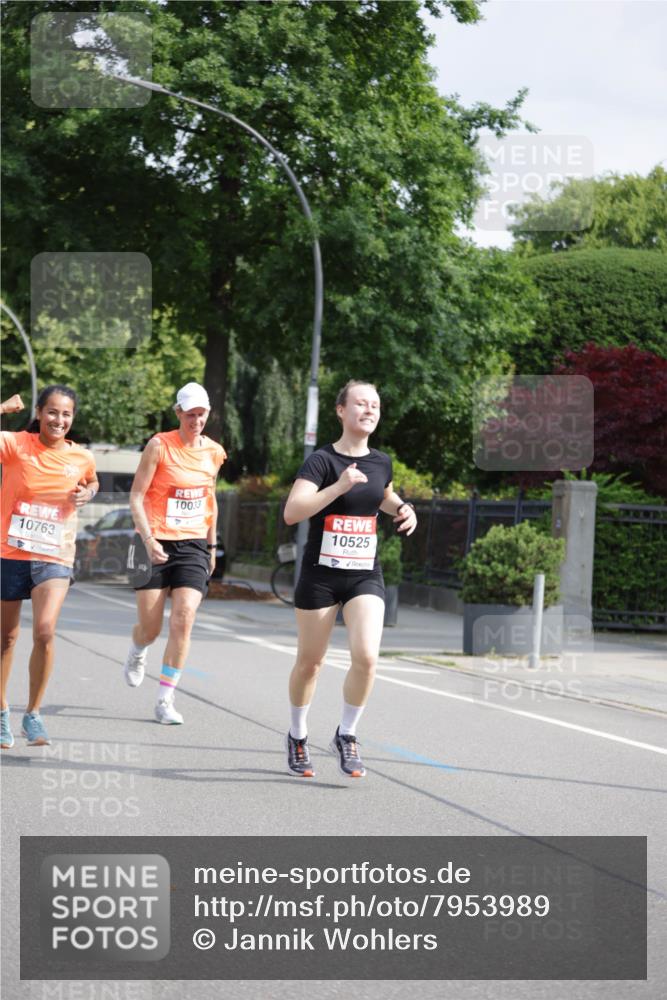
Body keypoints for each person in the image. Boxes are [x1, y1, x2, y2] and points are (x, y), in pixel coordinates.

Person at [283, 380, 417, 779]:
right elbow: (293, 511)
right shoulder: (321, 461)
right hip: (321, 576)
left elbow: (382, 494)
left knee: (367, 657)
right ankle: (297, 735)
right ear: (341, 410)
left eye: (375, 404)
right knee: (310, 663)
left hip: (363, 574)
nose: (369, 409)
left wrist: (403, 507)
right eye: (361, 403)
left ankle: (347, 734)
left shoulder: (382, 461)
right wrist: (339, 486)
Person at [122, 383, 226, 724]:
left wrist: (211, 545)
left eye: (202, 414)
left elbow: (210, 499)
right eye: (190, 414)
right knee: (151, 628)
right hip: (152, 541)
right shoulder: (159, 445)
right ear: (178, 412)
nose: (196, 421)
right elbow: (136, 496)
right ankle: (138, 649)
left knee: (183, 618)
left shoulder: (214, 452)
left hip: (193, 544)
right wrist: (148, 539)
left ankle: (165, 700)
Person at [1, 388, 98, 748]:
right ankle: (1, 711)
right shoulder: (15, 445)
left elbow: (92, 480)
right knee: (6, 638)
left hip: (54, 555)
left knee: (44, 631)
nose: (59, 420)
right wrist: (3, 408)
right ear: (40, 413)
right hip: (10, 552)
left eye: (66, 414)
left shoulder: (81, 456)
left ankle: (33, 714)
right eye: (52, 412)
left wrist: (89, 492)